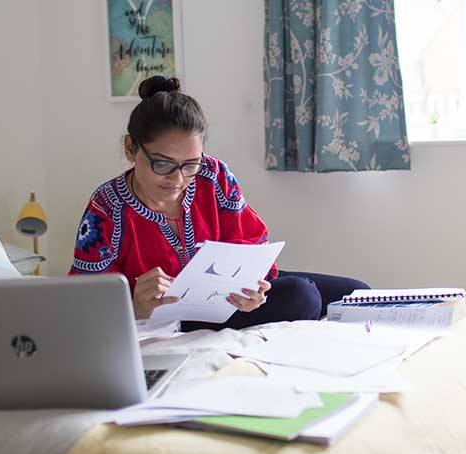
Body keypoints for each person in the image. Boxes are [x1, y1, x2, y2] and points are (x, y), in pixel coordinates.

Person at [69, 75, 368, 331]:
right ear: (130, 148)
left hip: (229, 299)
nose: (178, 178)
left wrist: (257, 285)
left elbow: (250, 240)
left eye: (190, 164)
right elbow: (85, 304)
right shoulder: (106, 209)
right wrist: (135, 309)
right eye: (163, 164)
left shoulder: (212, 175)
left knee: (357, 295)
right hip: (170, 317)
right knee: (303, 297)